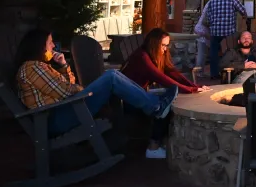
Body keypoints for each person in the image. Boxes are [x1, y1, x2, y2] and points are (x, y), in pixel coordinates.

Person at [15, 29, 176, 136]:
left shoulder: (41, 66)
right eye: (49, 42)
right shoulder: (32, 67)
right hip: (55, 119)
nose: (53, 46)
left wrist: (64, 66)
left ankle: (154, 105)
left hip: (65, 110)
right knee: (111, 77)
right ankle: (155, 106)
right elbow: (66, 91)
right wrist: (83, 90)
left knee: (113, 76)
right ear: (39, 46)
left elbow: (65, 85)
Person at [122, 29, 210, 159]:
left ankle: (158, 142)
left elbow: (171, 72)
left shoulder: (154, 55)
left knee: (166, 103)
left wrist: (194, 86)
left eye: (166, 45)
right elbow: (161, 78)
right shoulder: (142, 57)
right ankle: (153, 147)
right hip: (129, 101)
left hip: (141, 96)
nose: (165, 49)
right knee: (164, 107)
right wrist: (189, 89)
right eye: (163, 45)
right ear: (154, 44)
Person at [205, 0, 247, 80]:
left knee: (214, 53)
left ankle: (214, 74)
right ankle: (228, 73)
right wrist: (244, 17)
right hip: (228, 32)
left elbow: (208, 18)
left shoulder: (212, 0)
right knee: (230, 52)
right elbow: (243, 10)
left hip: (215, 31)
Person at [192, 0, 218, 77]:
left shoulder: (209, 3)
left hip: (201, 29)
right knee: (201, 52)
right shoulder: (212, 3)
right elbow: (206, 20)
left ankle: (199, 71)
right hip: (203, 30)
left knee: (202, 52)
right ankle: (198, 72)